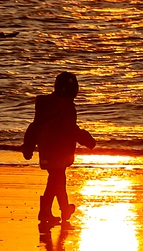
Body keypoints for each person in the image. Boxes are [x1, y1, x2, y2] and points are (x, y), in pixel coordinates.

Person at [22, 71, 96, 226]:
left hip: (47, 149)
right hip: (60, 150)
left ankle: (60, 209)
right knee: (57, 180)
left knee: (57, 180)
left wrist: (28, 146)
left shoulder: (45, 105)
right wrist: (87, 140)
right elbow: (71, 129)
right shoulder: (67, 107)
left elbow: (34, 127)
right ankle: (52, 211)